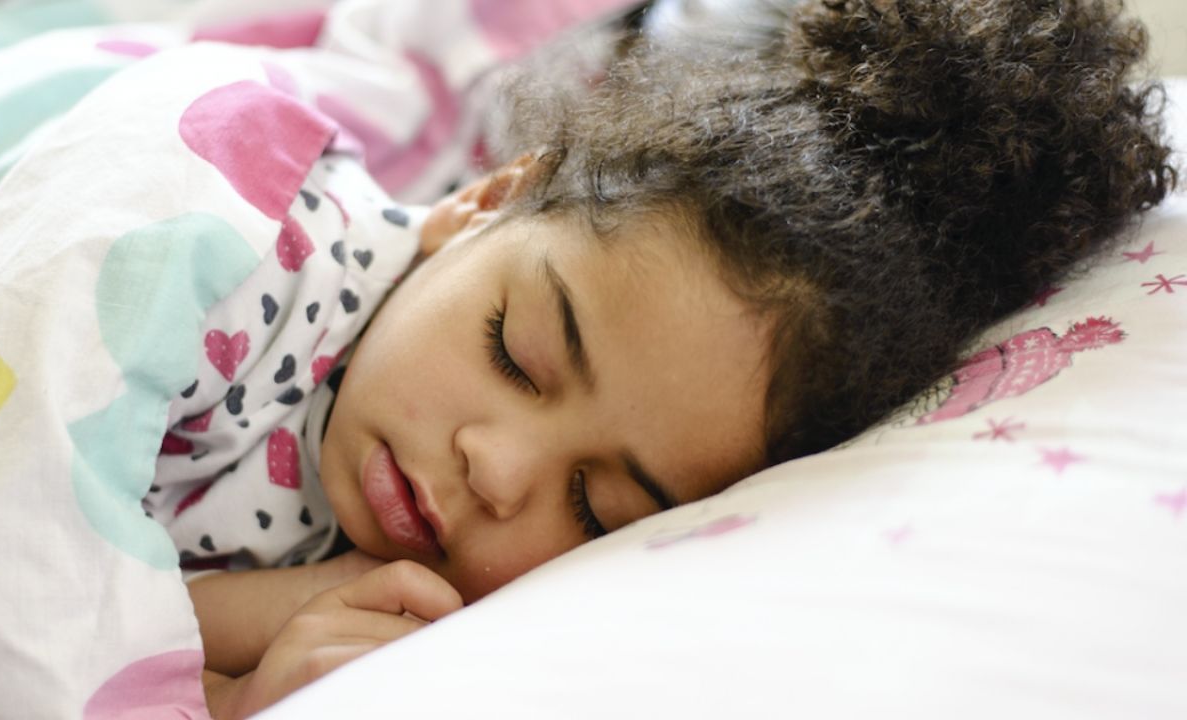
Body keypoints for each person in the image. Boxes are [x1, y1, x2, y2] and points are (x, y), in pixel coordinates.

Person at [181, 0, 1176, 716]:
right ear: (488, 200)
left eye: (595, 510)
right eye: (515, 356)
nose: (498, 470)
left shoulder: (400, 621)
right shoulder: (227, 252)